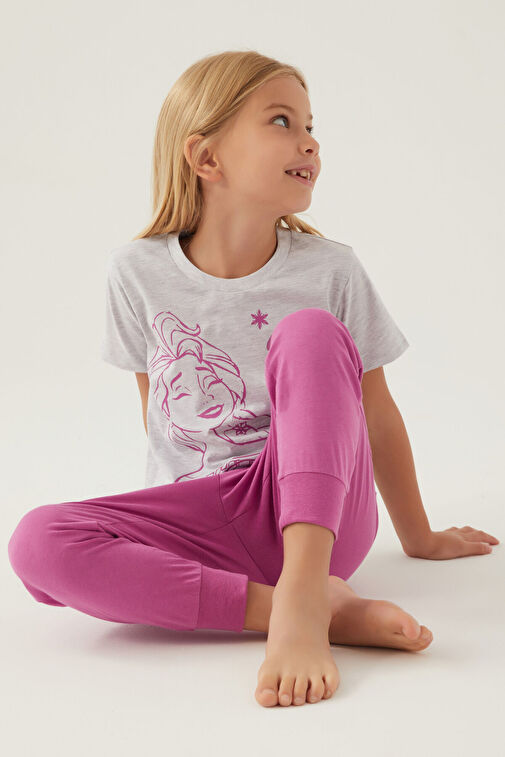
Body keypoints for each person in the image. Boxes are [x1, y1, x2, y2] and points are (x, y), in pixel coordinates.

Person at [7, 50, 499, 709]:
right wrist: (159, 531)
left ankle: (303, 590)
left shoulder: (331, 270)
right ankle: (296, 608)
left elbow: (375, 413)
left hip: (318, 517)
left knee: (308, 331)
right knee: (36, 542)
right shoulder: (135, 272)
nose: (310, 141)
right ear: (206, 157)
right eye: (281, 121)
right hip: (206, 525)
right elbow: (159, 418)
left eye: (310, 125)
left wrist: (419, 536)